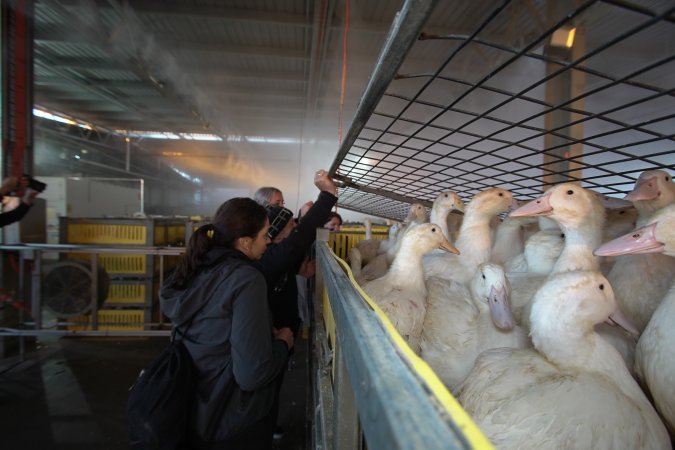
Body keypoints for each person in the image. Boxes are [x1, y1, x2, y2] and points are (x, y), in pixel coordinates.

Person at [159, 197, 294, 450]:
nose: (268, 242)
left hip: (193, 411)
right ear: (244, 241)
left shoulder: (197, 267)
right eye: (265, 235)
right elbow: (253, 374)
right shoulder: (246, 279)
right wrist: (282, 344)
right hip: (235, 418)